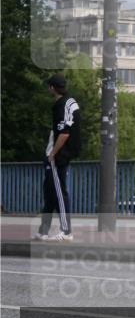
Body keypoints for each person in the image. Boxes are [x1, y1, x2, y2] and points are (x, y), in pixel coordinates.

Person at [33, 74, 81, 242]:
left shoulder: (60, 105)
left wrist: (53, 153)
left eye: (49, 86)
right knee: (50, 191)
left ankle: (66, 231)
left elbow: (64, 133)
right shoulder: (71, 101)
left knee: (60, 192)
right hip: (64, 152)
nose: (48, 88)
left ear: (52, 87)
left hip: (59, 155)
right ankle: (44, 230)